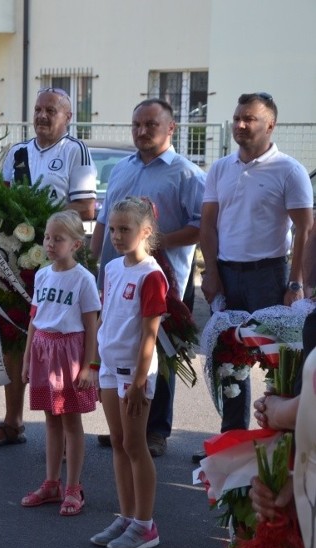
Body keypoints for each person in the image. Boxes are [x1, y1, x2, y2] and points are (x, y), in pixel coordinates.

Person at [0, 87, 97, 449]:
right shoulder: (17, 152)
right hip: (16, 256)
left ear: (68, 116)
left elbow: (87, 208)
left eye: (52, 110)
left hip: (59, 261)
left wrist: (37, 220)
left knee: (60, 341)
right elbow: (2, 200)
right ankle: (12, 422)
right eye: (38, 109)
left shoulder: (76, 150)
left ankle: (62, 433)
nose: (43, 116)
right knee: (18, 335)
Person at [198, 92, 313, 461]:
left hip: (269, 275)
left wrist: (295, 283)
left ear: (270, 125)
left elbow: (304, 230)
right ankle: (232, 443)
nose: (240, 125)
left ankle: (276, 444)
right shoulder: (219, 169)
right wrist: (211, 272)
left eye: (249, 119)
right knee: (230, 359)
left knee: (278, 360)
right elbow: (209, 224)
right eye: (237, 118)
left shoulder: (289, 170)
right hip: (229, 276)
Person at [90, 98, 205, 457]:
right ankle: (126, 427)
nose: (142, 131)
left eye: (150, 125)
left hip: (162, 283)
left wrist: (156, 242)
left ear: (170, 128)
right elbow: (104, 220)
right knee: (120, 346)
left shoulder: (187, 174)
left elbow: (202, 226)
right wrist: (90, 260)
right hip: (117, 278)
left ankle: (155, 431)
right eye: (137, 124)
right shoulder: (122, 169)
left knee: (158, 353)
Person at [90, 197, 167, 548]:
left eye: (126, 229)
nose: (117, 236)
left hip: (133, 374)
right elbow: (107, 319)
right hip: (109, 367)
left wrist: (139, 381)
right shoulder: (113, 267)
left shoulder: (152, 275)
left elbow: (149, 334)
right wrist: (93, 363)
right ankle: (126, 515)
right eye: (114, 229)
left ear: (146, 232)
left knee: (136, 445)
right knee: (119, 443)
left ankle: (145, 524)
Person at [19, 210, 100, 516]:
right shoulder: (42, 275)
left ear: (76, 244)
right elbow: (34, 320)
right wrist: (27, 358)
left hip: (70, 354)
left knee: (71, 422)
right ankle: (51, 482)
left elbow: (92, 325)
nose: (50, 243)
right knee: (51, 419)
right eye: (47, 237)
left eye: (58, 238)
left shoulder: (84, 280)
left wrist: (90, 365)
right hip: (43, 350)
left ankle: (73, 487)